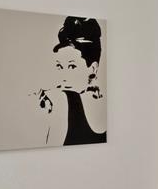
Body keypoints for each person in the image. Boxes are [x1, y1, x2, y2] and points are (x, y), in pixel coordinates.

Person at [37, 17, 107, 145]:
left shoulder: (59, 99)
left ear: (92, 69)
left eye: (72, 66)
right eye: (59, 66)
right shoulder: (105, 102)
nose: (63, 76)